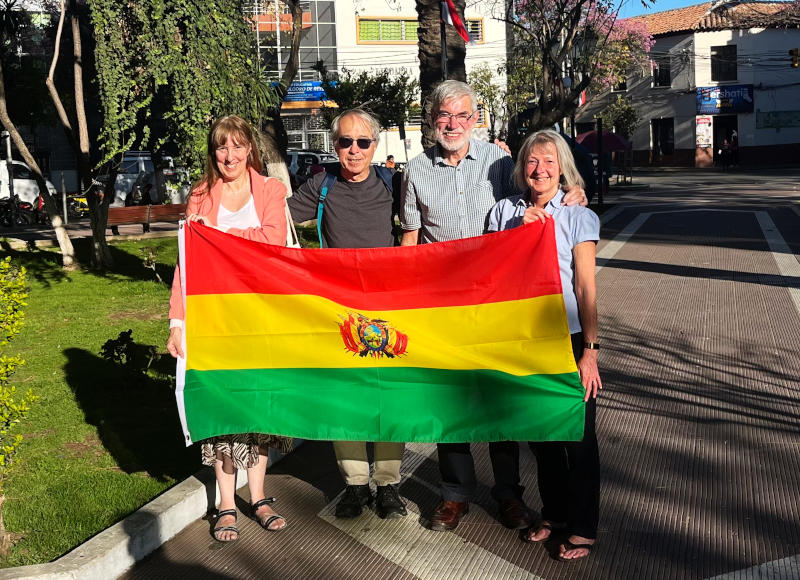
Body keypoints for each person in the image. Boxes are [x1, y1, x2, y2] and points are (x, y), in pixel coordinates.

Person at [400, 80, 587, 532]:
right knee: (450, 403)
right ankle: (455, 495)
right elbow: (409, 236)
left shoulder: (500, 162)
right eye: (445, 115)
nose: (453, 124)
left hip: (496, 302)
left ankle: (508, 495)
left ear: (475, 119)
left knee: (499, 400)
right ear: (432, 119)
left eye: (463, 115)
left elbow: (536, 193)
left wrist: (572, 193)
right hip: (442, 306)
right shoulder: (414, 170)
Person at [166, 115, 292, 542]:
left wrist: (218, 234)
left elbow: (274, 241)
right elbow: (186, 264)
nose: (230, 155)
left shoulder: (271, 190)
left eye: (238, 146)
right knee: (223, 409)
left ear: (250, 150)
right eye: (222, 147)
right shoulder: (200, 196)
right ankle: (225, 502)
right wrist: (176, 323)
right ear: (213, 152)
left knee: (258, 408)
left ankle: (257, 496)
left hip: (262, 320)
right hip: (216, 320)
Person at [286, 109, 407, 520]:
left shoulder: (395, 184)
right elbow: (275, 218)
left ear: (375, 146)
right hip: (337, 311)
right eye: (344, 141)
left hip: (389, 308)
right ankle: (355, 485)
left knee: (388, 398)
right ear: (334, 144)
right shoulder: (321, 184)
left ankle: (389, 484)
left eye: (362, 142)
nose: (353, 150)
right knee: (345, 399)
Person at [487, 129, 601, 562]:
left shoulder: (577, 215)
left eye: (550, 161)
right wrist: (517, 233)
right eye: (532, 161)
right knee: (542, 436)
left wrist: (590, 350)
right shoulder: (502, 213)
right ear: (521, 167)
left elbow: (586, 286)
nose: (540, 169)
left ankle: (584, 526)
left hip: (567, 337)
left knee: (577, 437)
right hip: (522, 338)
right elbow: (490, 274)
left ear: (563, 167)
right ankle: (554, 514)